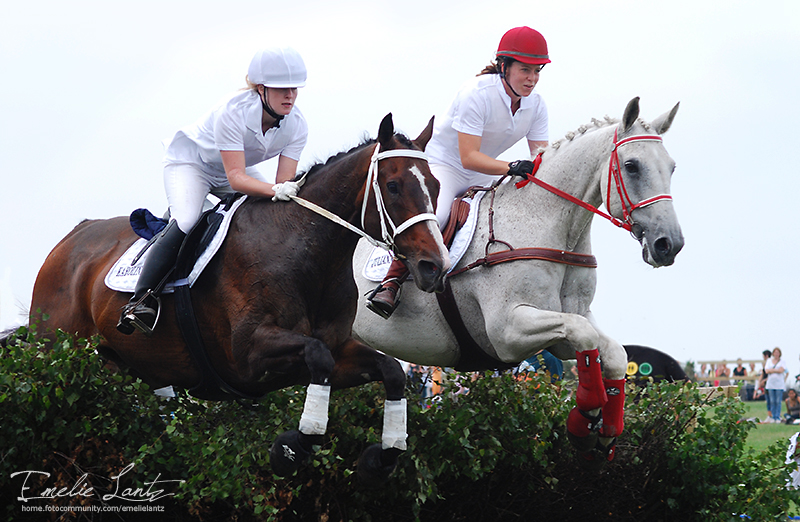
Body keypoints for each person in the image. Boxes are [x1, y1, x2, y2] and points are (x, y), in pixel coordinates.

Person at [117, 46, 309, 335]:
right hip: (191, 164)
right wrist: (276, 190)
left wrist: (284, 193)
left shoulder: (297, 125)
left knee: (270, 215)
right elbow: (236, 179)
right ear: (261, 89)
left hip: (232, 170)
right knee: (187, 219)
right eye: (282, 89)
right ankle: (141, 299)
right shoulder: (233, 111)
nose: (290, 96)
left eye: (294, 88)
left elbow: (282, 187)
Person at [366, 26, 550, 318]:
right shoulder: (476, 94)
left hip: (486, 169)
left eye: (537, 71)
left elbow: (541, 156)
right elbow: (468, 157)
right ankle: (390, 282)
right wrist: (511, 167)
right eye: (525, 70)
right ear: (504, 66)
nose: (532, 79)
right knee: (436, 217)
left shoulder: (536, 106)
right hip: (445, 164)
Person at [764, 347, 788, 423]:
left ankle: (777, 417)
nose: (776, 354)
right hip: (770, 384)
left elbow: (782, 370)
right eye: (775, 352)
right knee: (772, 401)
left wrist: (772, 370)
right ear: (773, 353)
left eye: (778, 352)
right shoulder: (769, 361)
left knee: (778, 401)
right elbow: (767, 370)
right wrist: (776, 370)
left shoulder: (782, 362)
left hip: (779, 385)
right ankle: (773, 416)